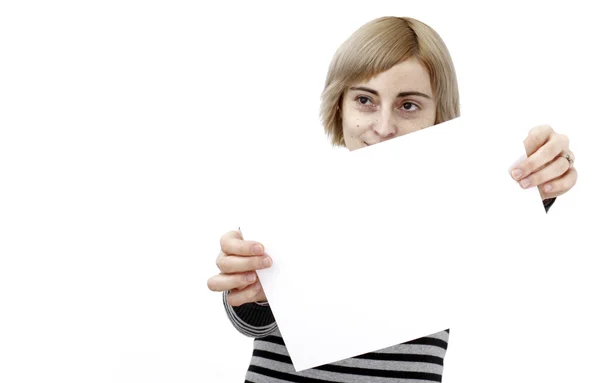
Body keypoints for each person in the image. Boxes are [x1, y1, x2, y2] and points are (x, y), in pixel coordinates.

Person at [207, 16, 578, 382]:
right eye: (365, 100)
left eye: (408, 105)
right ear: (340, 106)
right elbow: (252, 323)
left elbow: (514, 208)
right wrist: (253, 293)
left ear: (439, 117)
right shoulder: (291, 205)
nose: (384, 128)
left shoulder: (462, 206)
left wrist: (548, 169)